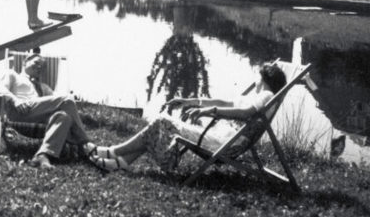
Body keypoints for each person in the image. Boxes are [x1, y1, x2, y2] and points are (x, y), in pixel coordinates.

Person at [84, 63, 287, 172]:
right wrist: (189, 101)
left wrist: (210, 112)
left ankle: (111, 152)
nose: (255, 78)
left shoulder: (267, 96)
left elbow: (245, 114)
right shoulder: (258, 96)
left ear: (263, 78)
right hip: (219, 138)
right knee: (159, 125)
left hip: (223, 144)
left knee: (161, 122)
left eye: (258, 75)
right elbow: (225, 102)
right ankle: (119, 161)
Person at [0, 51, 96, 169]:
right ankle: (85, 144)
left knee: (64, 116)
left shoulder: (44, 87)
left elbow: (59, 101)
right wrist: (16, 100)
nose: (39, 67)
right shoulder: (12, 74)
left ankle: (42, 155)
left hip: (39, 117)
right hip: (19, 111)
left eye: (42, 67)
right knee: (67, 99)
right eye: (36, 63)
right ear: (25, 62)